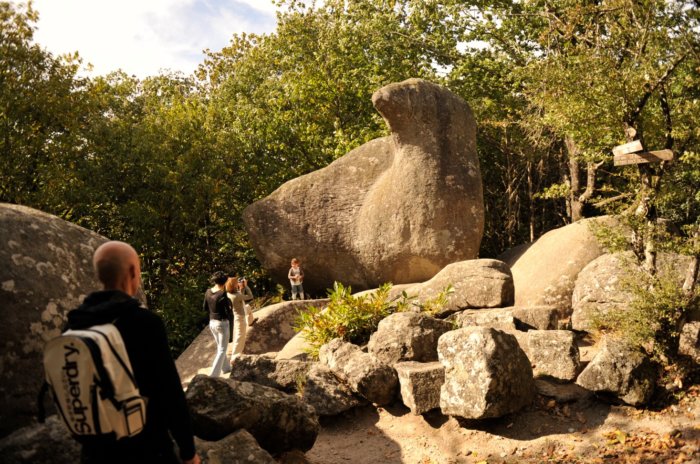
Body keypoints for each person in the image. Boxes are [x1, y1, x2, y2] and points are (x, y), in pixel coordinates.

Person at [64, 241, 200, 464]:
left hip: (95, 450)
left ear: (100, 276)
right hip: (146, 446)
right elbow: (170, 392)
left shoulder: (74, 324)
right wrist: (188, 451)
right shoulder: (144, 322)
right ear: (133, 272)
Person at [203, 270, 232, 377]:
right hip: (222, 323)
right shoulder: (223, 294)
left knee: (220, 347)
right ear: (224, 282)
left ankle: (226, 368)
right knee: (223, 349)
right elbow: (228, 311)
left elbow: (205, 307)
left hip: (212, 322)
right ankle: (213, 376)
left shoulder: (207, 291)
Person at [225, 276, 247, 365]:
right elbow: (248, 297)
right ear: (234, 285)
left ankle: (234, 356)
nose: (238, 283)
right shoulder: (236, 295)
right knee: (239, 336)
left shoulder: (228, 294)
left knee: (237, 335)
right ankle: (234, 358)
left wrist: (241, 288)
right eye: (236, 283)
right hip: (240, 317)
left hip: (235, 317)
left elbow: (239, 297)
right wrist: (245, 287)